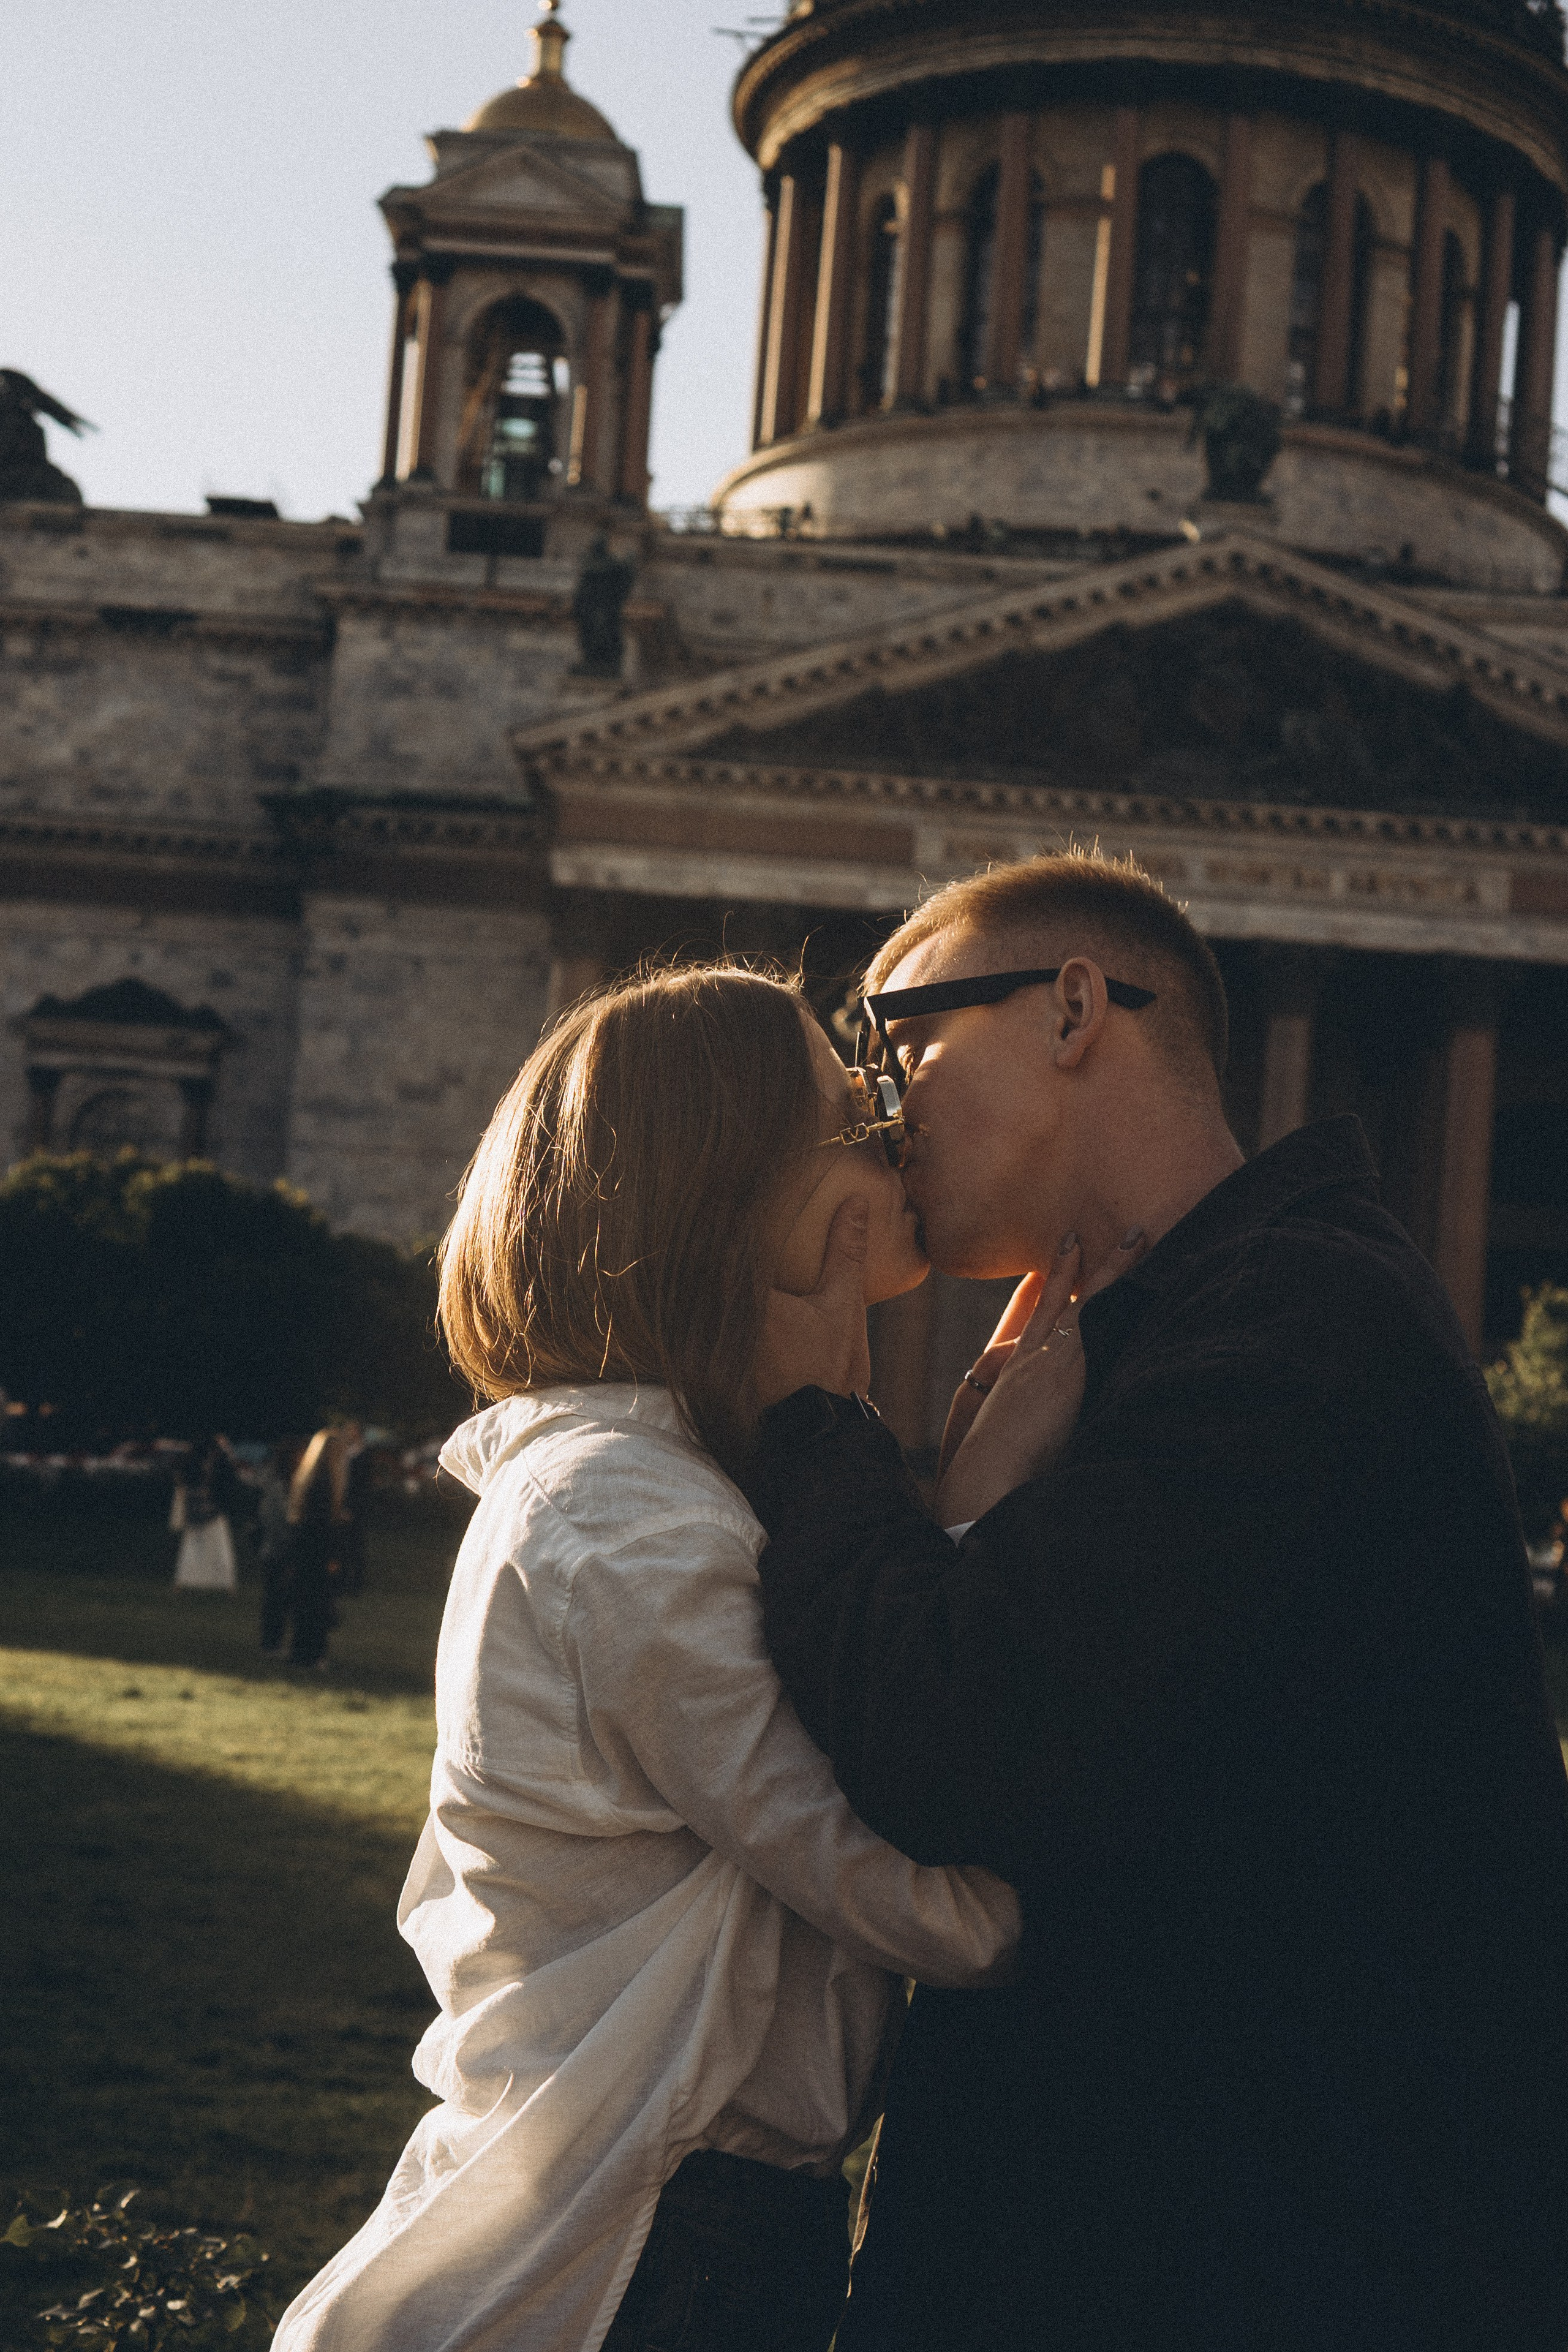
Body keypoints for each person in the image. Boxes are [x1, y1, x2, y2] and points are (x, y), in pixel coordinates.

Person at [748, 851, 1568, 2352]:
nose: (879, 1102)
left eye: (900, 1035)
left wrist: (811, 1413)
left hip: (1248, 2265)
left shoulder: (1294, 1323)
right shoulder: (1215, 1316)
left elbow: (962, 1739)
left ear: (1073, 1008)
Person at [273, 963, 1020, 2352]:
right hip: (638, 2250)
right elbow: (900, 1889)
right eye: (854, 1105)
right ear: (724, 1178)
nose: (894, 1125)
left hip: (664, 2217)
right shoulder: (625, 1512)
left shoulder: (643, 1484)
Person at [284, 1426, 350, 1668]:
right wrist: (333, 1556)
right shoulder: (327, 1483)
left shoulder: (307, 1479)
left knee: (303, 1604)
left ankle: (300, 1653)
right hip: (318, 1552)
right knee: (318, 1606)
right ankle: (313, 1655)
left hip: (303, 1551)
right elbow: (324, 1525)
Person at [170, 1433, 239, 1592]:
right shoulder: (215, 1463)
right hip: (211, 1510)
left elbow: (181, 1483)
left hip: (193, 1509)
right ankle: (225, 1584)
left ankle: (184, 1582)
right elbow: (228, 1484)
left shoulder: (190, 1463)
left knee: (192, 1549)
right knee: (219, 1549)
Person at [257, 1438, 301, 1654]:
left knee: (275, 1600)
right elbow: (278, 1521)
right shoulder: (280, 1486)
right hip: (279, 1551)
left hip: (272, 1549)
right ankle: (271, 1643)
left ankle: (272, 1642)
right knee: (277, 1600)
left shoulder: (274, 1483)